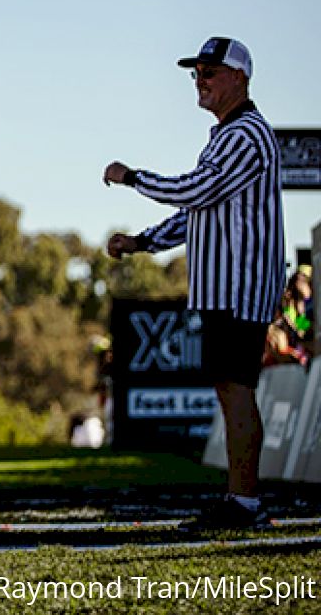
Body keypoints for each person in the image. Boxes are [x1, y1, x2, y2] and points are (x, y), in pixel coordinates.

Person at [103, 37, 282, 531]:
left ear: (239, 78)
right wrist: (142, 243)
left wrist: (132, 177)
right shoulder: (227, 135)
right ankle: (241, 499)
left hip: (239, 288)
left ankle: (245, 503)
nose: (200, 79)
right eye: (196, 72)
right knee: (231, 390)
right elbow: (197, 213)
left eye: (210, 71)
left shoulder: (245, 134)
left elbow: (195, 190)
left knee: (236, 390)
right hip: (228, 289)